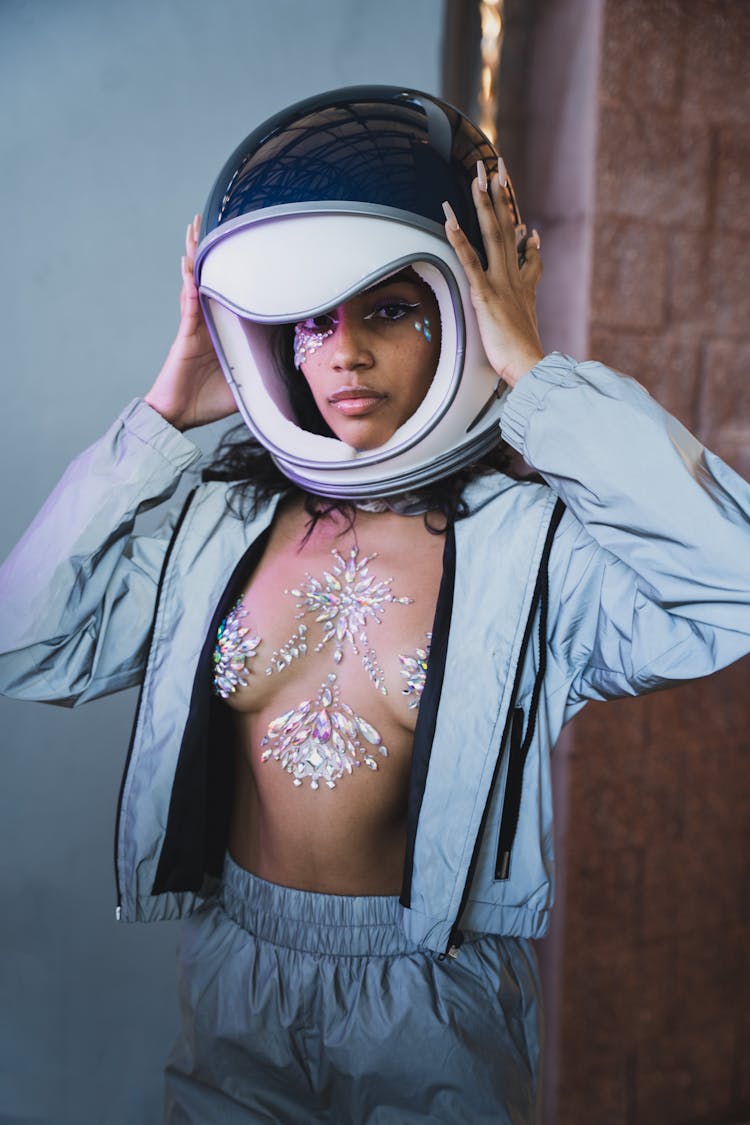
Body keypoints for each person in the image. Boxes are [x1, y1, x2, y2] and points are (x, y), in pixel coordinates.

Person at [1, 86, 749, 1124]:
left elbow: (734, 575)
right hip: (236, 971)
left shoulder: (531, 551)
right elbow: (24, 644)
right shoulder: (215, 528)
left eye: (388, 310)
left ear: (458, 310)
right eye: (309, 322)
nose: (343, 354)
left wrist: (531, 368)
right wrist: (162, 416)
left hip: (432, 993)